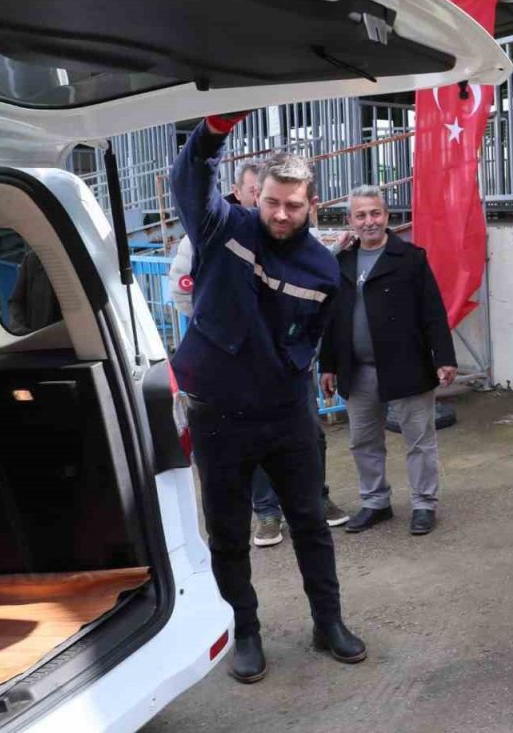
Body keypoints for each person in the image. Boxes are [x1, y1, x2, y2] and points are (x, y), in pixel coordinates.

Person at [170, 113, 365, 684]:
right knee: (228, 532)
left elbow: (314, 336)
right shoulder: (221, 227)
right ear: (258, 197)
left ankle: (328, 622)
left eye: (293, 205)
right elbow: (189, 180)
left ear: (312, 205)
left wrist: (293, 370)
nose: (281, 214)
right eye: (273, 202)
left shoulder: (323, 268)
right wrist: (213, 131)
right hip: (218, 416)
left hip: (287, 415)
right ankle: (245, 633)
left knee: (310, 522)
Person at [168, 160, 347, 548]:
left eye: (290, 203)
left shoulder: (310, 253)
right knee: (241, 468)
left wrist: (294, 359)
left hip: (286, 379)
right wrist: (221, 327)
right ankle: (266, 513)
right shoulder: (214, 231)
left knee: (307, 444)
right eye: (262, 196)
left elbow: (317, 321)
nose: (277, 211)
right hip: (226, 383)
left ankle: (315, 498)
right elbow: (183, 291)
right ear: (245, 194)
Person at [319, 186, 457, 536]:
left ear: (387, 216)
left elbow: (433, 312)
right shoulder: (341, 262)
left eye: (375, 213)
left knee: (419, 440)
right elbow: (332, 319)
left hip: (407, 365)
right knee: (363, 441)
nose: (369, 221)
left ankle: (424, 504)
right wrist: (328, 365)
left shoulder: (410, 258)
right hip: (357, 370)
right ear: (350, 220)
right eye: (361, 215)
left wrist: (444, 357)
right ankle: (376, 502)